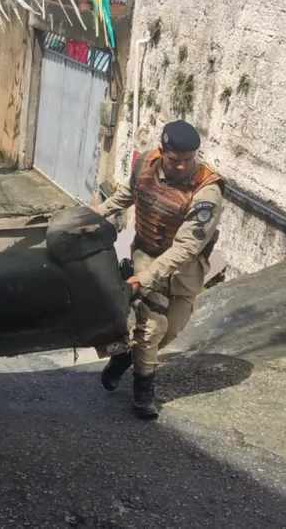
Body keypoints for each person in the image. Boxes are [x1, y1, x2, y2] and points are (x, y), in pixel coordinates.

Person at [92, 120, 224, 419]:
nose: (181, 166)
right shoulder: (147, 165)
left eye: (188, 160)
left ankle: (124, 358)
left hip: (185, 268)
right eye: (175, 160)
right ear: (163, 152)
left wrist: (147, 277)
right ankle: (143, 395)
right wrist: (100, 212)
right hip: (147, 255)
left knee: (171, 329)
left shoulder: (207, 192)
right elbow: (129, 194)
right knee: (151, 328)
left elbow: (187, 248)